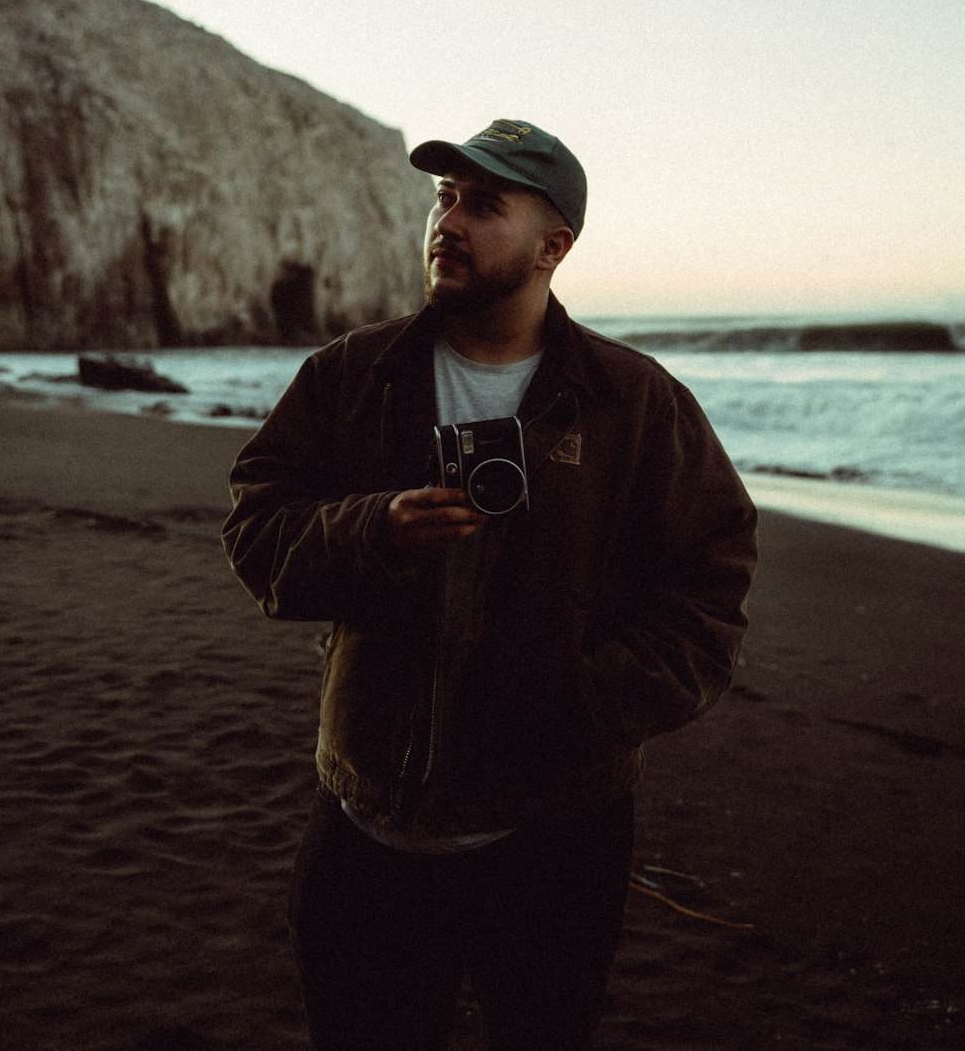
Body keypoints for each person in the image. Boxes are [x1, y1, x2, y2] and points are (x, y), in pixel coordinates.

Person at [222, 118, 757, 1051]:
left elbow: (709, 592)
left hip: (559, 836)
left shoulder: (634, 403)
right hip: (367, 817)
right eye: (443, 199)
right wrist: (372, 527)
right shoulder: (352, 377)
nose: (448, 222)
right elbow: (256, 533)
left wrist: (584, 702)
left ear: (555, 245)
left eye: (483, 203)